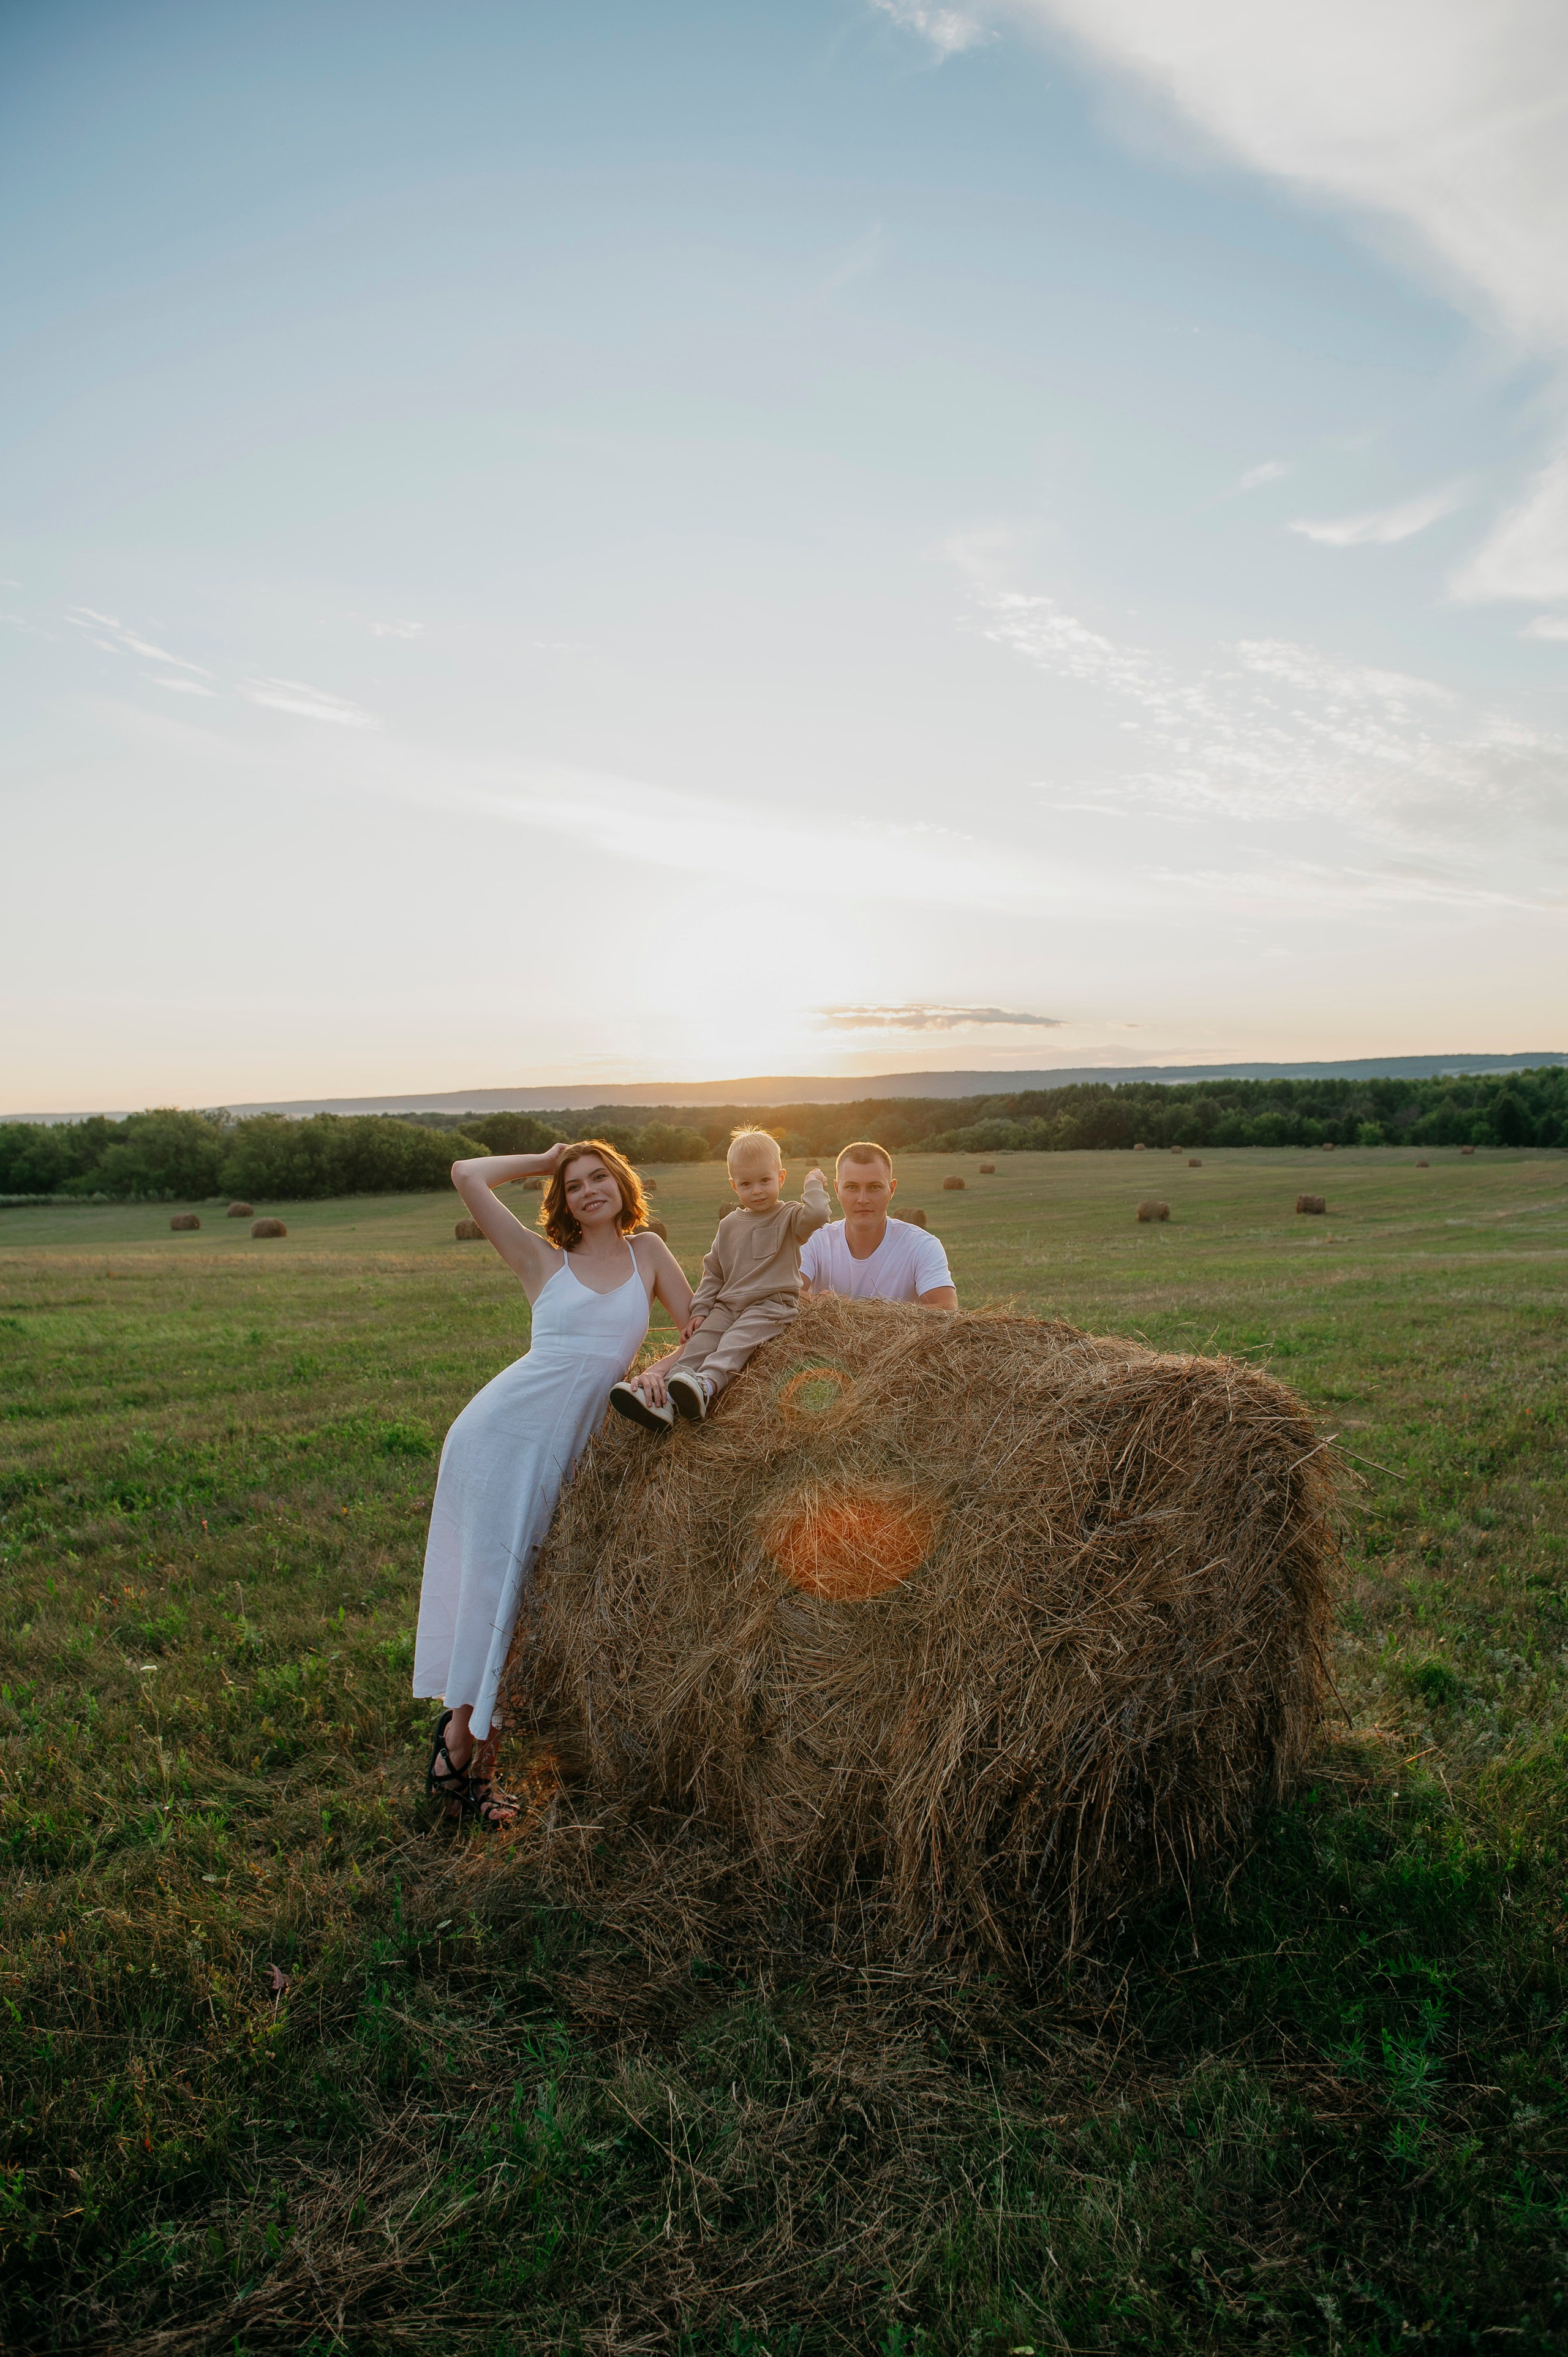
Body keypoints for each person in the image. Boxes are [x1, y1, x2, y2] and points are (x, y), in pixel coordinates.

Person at [413, 1138, 693, 1828]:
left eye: (601, 1177)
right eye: (574, 1184)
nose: (589, 1190)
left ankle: (465, 1761)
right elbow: (465, 1173)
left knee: (521, 1601)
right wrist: (546, 1156)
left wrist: (662, 1367)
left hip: (566, 1448)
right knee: (496, 1596)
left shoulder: (648, 1253)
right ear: (561, 1198)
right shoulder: (542, 1260)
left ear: (623, 1184)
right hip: (500, 1438)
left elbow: (700, 1325)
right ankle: (462, 1763)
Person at [610, 1126, 831, 1429]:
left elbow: (818, 1214)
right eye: (747, 1184)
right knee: (701, 1343)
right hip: (727, 1306)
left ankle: (705, 1386)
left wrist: (814, 1182)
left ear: (781, 1178)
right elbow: (714, 1272)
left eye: (766, 1181)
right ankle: (666, 1400)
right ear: (733, 1185)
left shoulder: (790, 1216)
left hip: (770, 1304)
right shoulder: (729, 1225)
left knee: (735, 1343)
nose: (757, 1191)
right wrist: (701, 1311)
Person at [799, 1140, 957, 1308]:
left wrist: (851, 1310)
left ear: (892, 1190)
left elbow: (946, 1308)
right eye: (852, 1187)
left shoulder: (922, 1246)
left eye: (874, 1187)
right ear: (837, 1190)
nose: (863, 1199)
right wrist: (819, 1302)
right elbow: (783, 1296)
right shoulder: (815, 1240)